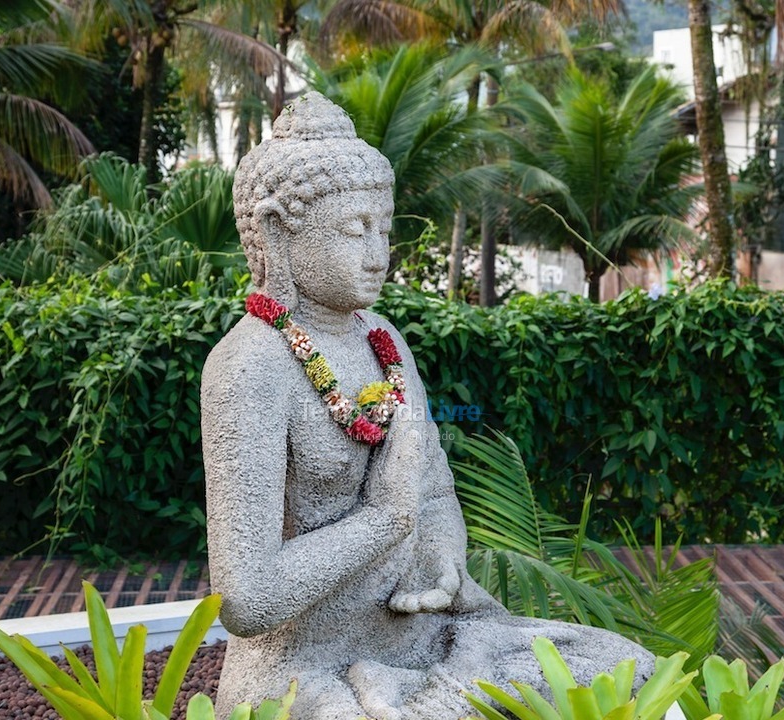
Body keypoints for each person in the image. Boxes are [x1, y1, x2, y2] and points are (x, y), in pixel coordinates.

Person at [201, 91, 653, 720]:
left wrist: (441, 559)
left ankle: (426, 692)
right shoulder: (251, 366)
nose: (375, 253)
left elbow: (434, 493)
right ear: (279, 231)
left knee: (624, 665)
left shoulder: (383, 340)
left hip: (425, 641)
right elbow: (245, 599)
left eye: (382, 231)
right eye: (353, 230)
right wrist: (383, 521)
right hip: (306, 668)